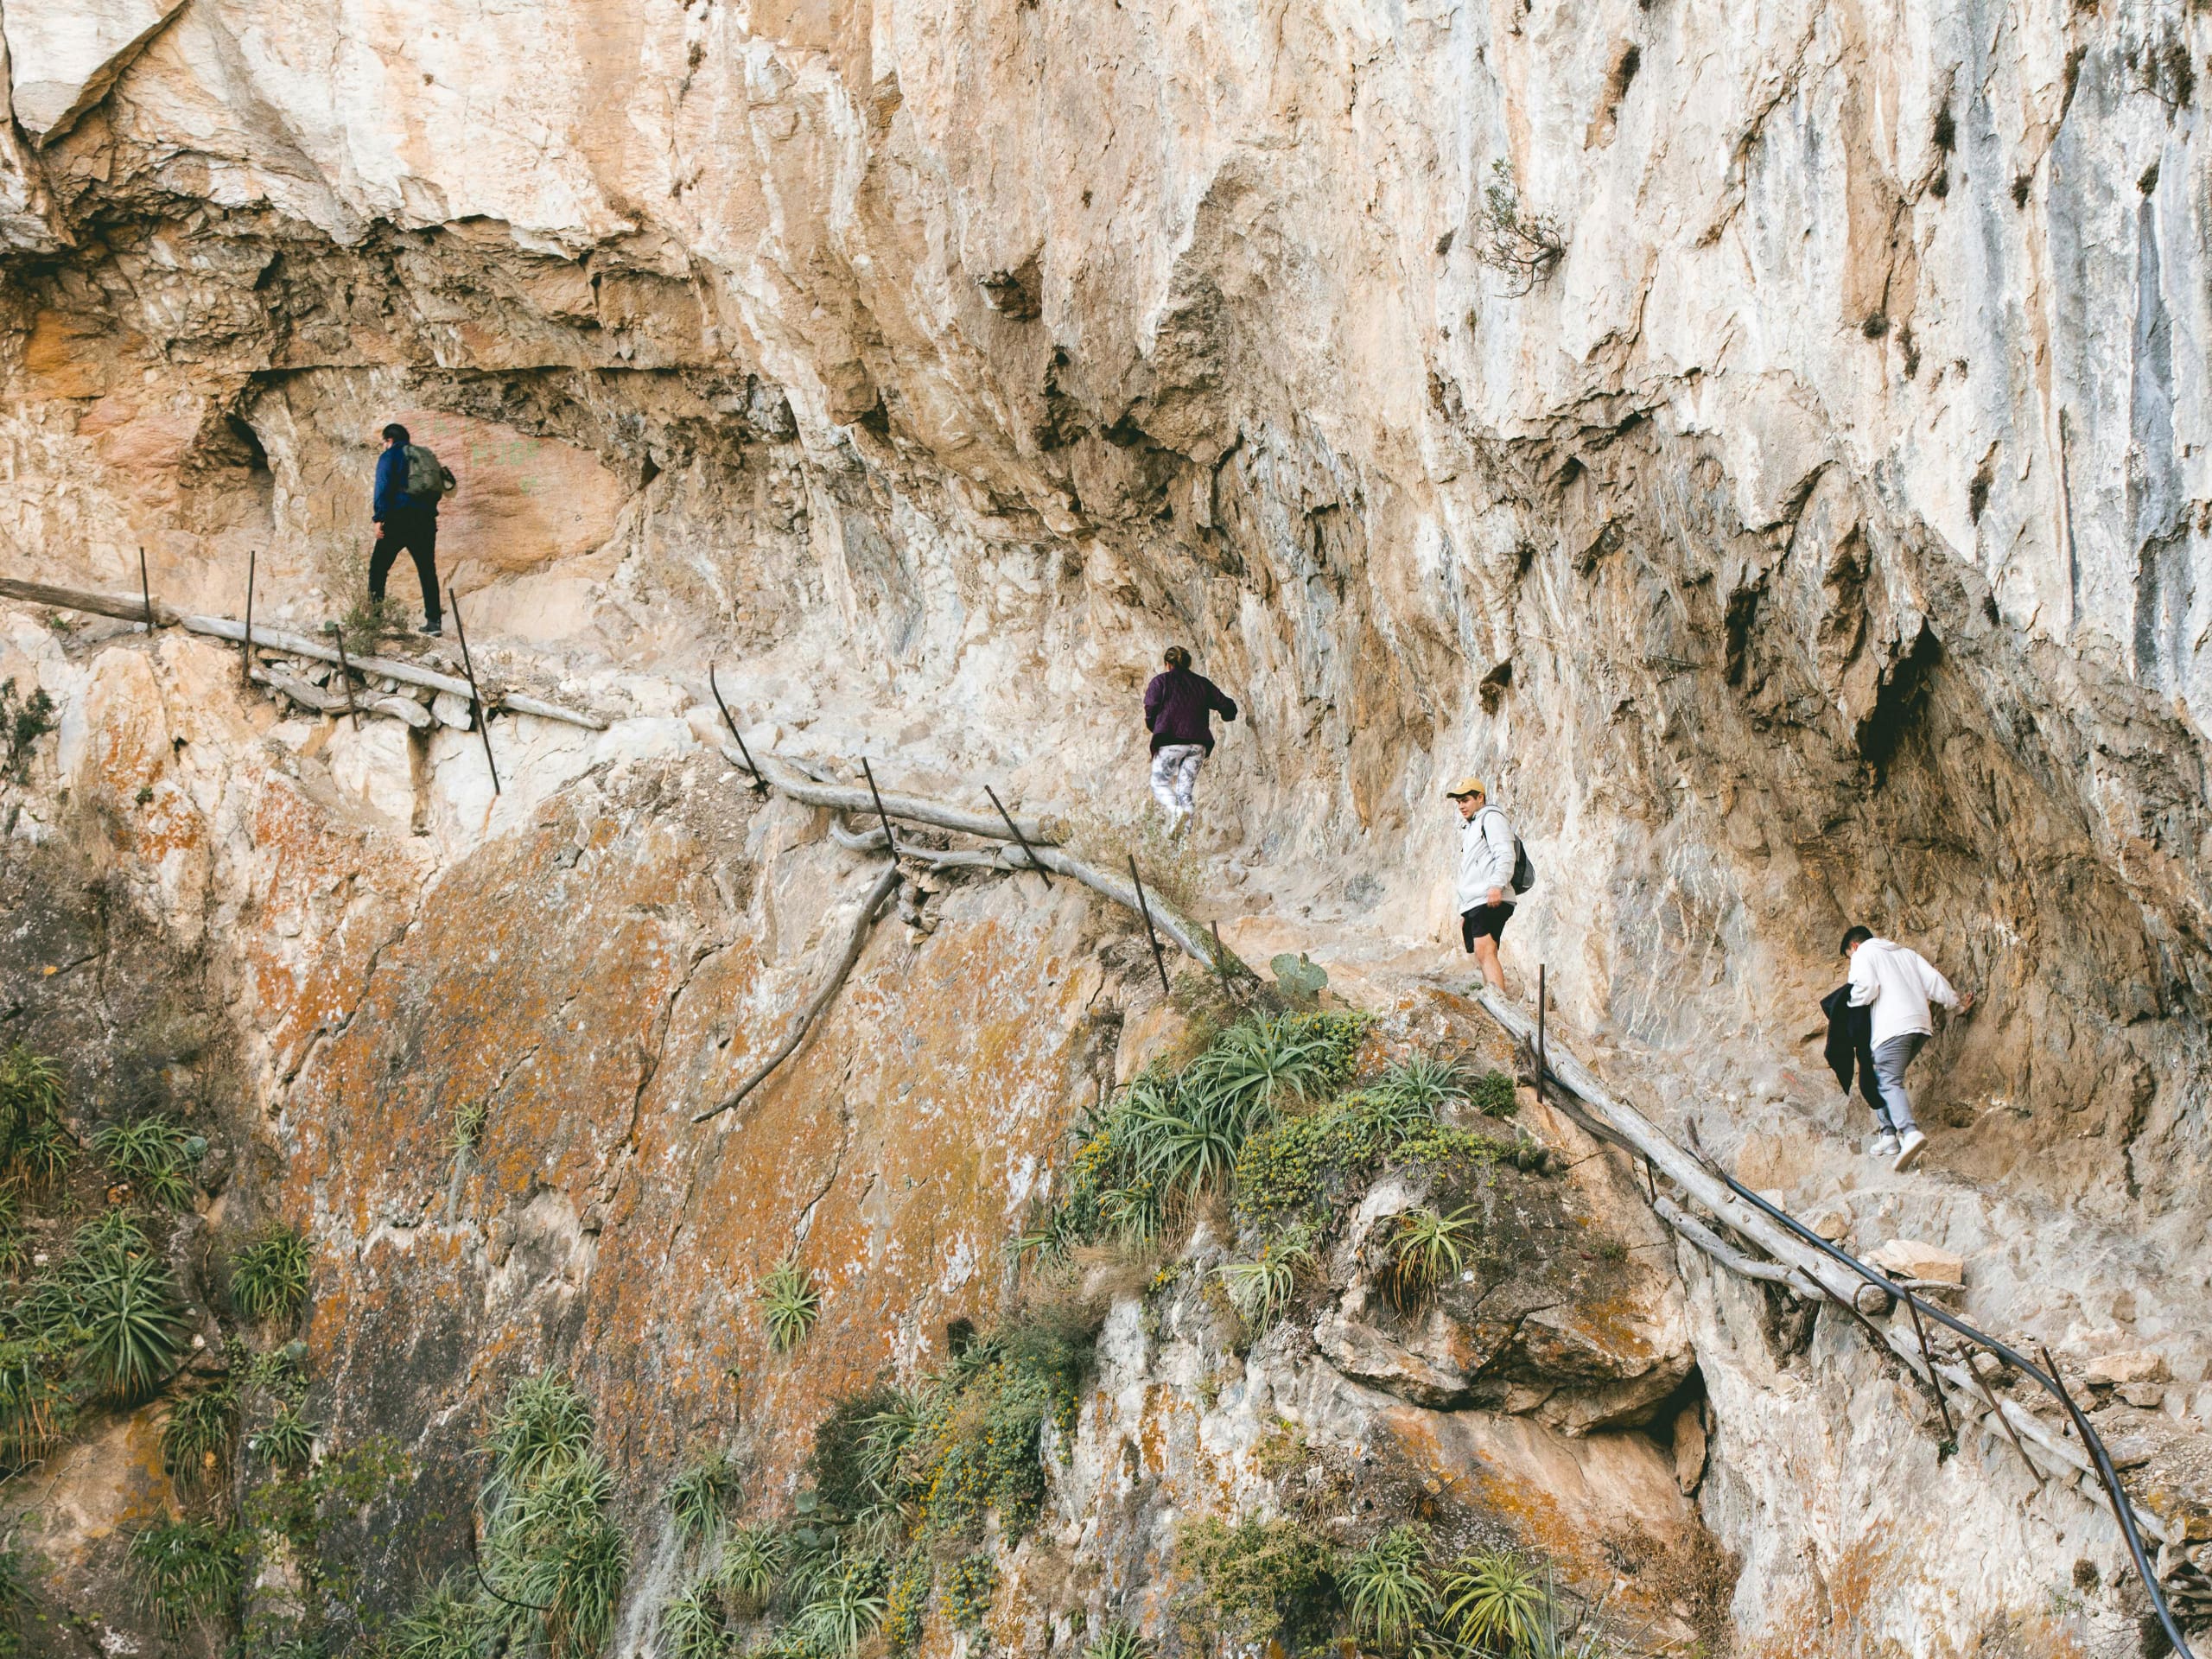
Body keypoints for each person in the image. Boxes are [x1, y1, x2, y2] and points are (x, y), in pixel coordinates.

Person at [1842, 925, 1975, 1171]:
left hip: (1893, 1027)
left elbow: (1867, 987)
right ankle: (1889, 1137)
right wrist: (1956, 1006)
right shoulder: (1905, 953)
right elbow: (1933, 981)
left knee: (1889, 1080)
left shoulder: (1863, 954)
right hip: (1920, 1026)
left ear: (1854, 946)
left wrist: (1847, 1004)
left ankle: (1908, 1132)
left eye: (1849, 957)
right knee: (1874, 1075)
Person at [368, 423, 454, 636]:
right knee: (427, 570)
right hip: (425, 521)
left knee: (378, 568)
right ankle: (434, 623)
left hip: (398, 519)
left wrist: (379, 518)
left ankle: (375, 620)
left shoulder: (390, 456)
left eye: (384, 442)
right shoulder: (423, 456)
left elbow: (383, 486)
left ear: (389, 440)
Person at [1142, 646, 1237, 834]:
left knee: (1159, 784)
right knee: (1184, 792)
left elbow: (1150, 709)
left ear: (1167, 664)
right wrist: (1228, 714)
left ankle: (1176, 812)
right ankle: (1182, 846)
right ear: (1188, 663)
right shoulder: (1201, 683)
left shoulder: (1160, 681)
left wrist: (1156, 727)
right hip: (1198, 744)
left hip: (1170, 741)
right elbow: (1226, 705)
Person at [1447, 777, 1517, 995]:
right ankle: (1494, 999)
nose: (1461, 806)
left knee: (1485, 951)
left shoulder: (1491, 818)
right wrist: (1464, 910)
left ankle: (1500, 1004)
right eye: (1458, 802)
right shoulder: (1471, 827)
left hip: (1490, 896)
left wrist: (1496, 885)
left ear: (1480, 798)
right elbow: (1469, 870)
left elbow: (1506, 854)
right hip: (1477, 899)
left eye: (1466, 800)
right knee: (1484, 953)